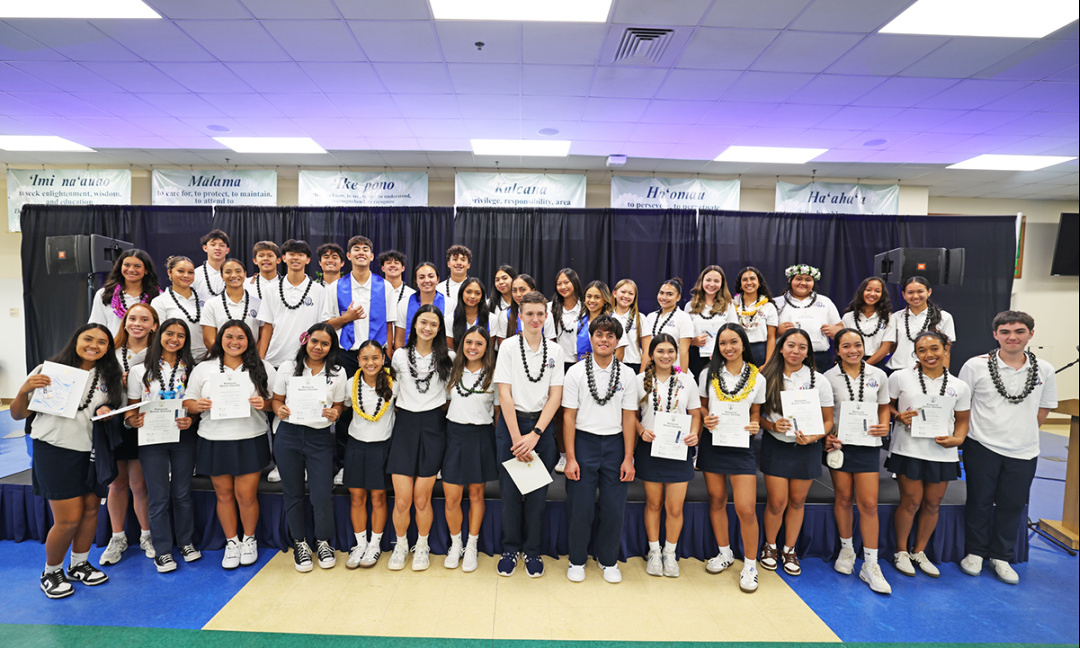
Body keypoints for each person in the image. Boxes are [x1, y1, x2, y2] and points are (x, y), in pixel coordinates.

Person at [12, 324, 124, 598]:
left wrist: (108, 410)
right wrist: (24, 390)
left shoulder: (110, 376)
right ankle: (51, 572)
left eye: (102, 342)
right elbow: (17, 414)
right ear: (76, 340)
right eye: (88, 339)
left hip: (91, 452)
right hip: (55, 450)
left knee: (90, 510)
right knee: (68, 519)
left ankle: (79, 564)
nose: (94, 345)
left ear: (108, 348)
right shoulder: (48, 370)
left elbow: (112, 411)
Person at [958, 311, 1056, 585]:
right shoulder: (975, 366)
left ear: (1031, 334)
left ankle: (1001, 556)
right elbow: (962, 405)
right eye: (1005, 332)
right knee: (979, 501)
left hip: (1024, 450)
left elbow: (1044, 408)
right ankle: (975, 552)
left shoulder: (1045, 369)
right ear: (995, 335)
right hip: (982, 445)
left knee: (1012, 505)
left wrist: (1021, 431)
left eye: (1019, 331)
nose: (1012, 337)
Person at [184, 321, 276, 570]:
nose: (235, 342)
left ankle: (249, 539)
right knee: (223, 495)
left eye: (241, 337)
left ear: (249, 340)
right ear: (220, 339)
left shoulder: (263, 366)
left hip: (250, 437)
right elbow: (188, 401)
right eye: (229, 336)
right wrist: (197, 405)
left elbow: (275, 401)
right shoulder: (204, 368)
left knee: (246, 496)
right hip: (214, 438)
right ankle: (232, 542)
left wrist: (265, 404)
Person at [492, 290, 565, 577]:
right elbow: (504, 394)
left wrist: (535, 434)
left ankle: (532, 551)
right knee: (510, 493)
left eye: (540, 314)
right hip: (511, 426)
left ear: (546, 316)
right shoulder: (509, 347)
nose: (535, 319)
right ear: (520, 316)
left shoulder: (556, 351)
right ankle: (510, 549)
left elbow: (555, 396)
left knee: (536, 494)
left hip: (541, 428)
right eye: (529, 314)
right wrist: (516, 438)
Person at [886, 331, 970, 578]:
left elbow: (962, 420)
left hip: (942, 452)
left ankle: (919, 551)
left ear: (946, 349)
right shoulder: (900, 377)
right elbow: (886, 406)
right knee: (911, 502)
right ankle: (901, 551)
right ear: (915, 353)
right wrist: (898, 416)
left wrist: (958, 439)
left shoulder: (959, 386)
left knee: (933, 503)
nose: (929, 354)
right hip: (908, 449)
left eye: (934, 348)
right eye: (922, 350)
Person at [563, 315, 638, 584]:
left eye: (610, 336)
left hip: (615, 444)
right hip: (584, 443)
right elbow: (568, 416)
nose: (604, 340)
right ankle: (577, 559)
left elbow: (629, 417)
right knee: (580, 507)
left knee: (613, 508)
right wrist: (570, 457)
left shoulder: (627, 374)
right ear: (591, 338)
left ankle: (608, 560)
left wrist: (628, 458)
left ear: (617, 341)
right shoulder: (575, 372)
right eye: (599, 335)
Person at [123, 318, 199, 573]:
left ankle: (186, 542)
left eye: (181, 335)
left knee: (182, 493)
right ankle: (163, 550)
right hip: (151, 438)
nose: (174, 339)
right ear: (159, 335)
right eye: (169, 333)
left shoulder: (192, 369)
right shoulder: (139, 370)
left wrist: (191, 419)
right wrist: (131, 420)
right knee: (158, 496)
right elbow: (132, 407)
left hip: (183, 436)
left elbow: (195, 405)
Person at [270, 323, 347, 572]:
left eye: (325, 344)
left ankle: (323, 541)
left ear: (331, 347)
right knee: (292, 493)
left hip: (319, 438)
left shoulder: (337, 372)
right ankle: (300, 543)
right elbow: (276, 400)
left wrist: (336, 413)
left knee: (321, 494)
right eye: (315, 341)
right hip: (288, 436)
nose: (318, 347)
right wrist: (279, 410)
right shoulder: (288, 367)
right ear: (306, 340)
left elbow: (339, 405)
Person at [758, 328, 834, 577]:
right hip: (776, 445)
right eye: (791, 345)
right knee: (777, 501)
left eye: (802, 347)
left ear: (808, 352)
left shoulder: (819, 380)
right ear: (781, 348)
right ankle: (770, 546)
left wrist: (814, 437)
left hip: (807, 447)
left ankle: (789, 550)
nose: (796, 351)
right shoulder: (765, 376)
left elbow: (828, 421)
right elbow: (754, 416)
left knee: (798, 501)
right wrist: (771, 425)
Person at [823, 328, 892, 594]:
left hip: (867, 446)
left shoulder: (878, 375)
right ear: (837, 350)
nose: (853, 350)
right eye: (846, 346)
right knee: (843, 498)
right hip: (839, 446)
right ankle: (847, 549)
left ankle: (871, 564)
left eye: (858, 345)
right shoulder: (828, 378)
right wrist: (827, 436)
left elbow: (884, 407)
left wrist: (884, 425)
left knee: (869, 503)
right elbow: (825, 414)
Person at [697, 324, 765, 593]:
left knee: (746, 508)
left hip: (741, 445)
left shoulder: (757, 377)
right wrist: (705, 418)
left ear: (743, 344)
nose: (728, 347)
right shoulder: (708, 373)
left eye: (733, 342)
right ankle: (724, 552)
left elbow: (756, 411)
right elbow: (702, 406)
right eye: (723, 343)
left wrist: (755, 423)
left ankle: (750, 564)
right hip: (713, 443)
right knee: (717, 500)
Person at [386, 304, 453, 571]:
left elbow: (451, 395)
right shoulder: (400, 355)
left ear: (439, 329)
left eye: (433, 324)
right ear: (414, 324)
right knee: (402, 499)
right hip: (405, 426)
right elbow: (392, 393)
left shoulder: (448, 356)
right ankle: (401, 545)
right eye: (423, 322)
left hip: (433, 427)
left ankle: (422, 546)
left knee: (422, 498)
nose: (428, 328)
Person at [634, 334, 702, 579]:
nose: (666, 356)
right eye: (660, 351)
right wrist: (641, 431)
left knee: (674, 507)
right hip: (650, 449)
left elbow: (695, 413)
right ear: (651, 354)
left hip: (678, 449)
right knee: (653, 504)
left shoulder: (687, 381)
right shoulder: (639, 380)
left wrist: (694, 434)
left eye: (670, 351)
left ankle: (670, 553)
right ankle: (654, 551)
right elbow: (629, 415)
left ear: (676, 353)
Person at [100, 302, 159, 567]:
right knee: (116, 484)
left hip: (144, 423)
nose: (137, 323)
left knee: (140, 484)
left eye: (144, 319)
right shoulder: (109, 353)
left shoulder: (158, 354)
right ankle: (117, 537)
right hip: (114, 422)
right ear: (124, 323)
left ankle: (147, 535)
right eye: (132, 318)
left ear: (154, 325)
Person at [442, 326, 499, 572]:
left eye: (479, 343)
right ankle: (456, 545)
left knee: (476, 495)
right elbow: (444, 404)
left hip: (480, 437)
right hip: (454, 436)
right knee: (452, 498)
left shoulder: (494, 375)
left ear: (487, 347)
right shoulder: (451, 370)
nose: (473, 347)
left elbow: (498, 413)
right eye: (468, 342)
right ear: (462, 345)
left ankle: (472, 545)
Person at [344, 340, 395, 569]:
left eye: (375, 357)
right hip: (356, 445)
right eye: (365, 358)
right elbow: (342, 406)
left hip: (381, 446)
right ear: (358, 361)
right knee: (356, 497)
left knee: (378, 497)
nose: (370, 363)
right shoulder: (350, 383)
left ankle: (374, 544)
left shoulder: (394, 383)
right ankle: (360, 544)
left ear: (383, 359)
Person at [324, 236, 397, 380]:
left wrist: (387, 355)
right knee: (347, 392)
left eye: (365, 249)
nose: (361, 252)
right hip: (346, 354)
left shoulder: (385, 287)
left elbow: (389, 324)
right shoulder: (335, 287)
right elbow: (327, 324)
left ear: (371, 256)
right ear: (349, 256)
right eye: (356, 249)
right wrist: (346, 318)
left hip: (376, 355)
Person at [256, 239, 329, 370]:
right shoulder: (271, 289)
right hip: (275, 358)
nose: (296, 258)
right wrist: (261, 360)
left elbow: (321, 327)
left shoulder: (319, 290)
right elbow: (267, 326)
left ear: (308, 260)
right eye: (291, 254)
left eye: (300, 255)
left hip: (307, 360)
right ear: (284, 258)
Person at [775, 264, 842, 373]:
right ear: (790, 280)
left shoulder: (825, 301)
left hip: (819, 358)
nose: (803, 283)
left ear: (813, 282)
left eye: (808, 280)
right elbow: (765, 334)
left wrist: (837, 331)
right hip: (786, 358)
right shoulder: (777, 303)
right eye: (799, 279)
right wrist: (777, 332)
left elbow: (841, 330)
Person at [887, 276, 957, 372]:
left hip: (929, 371)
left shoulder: (944, 317)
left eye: (920, 291)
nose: (915, 296)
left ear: (929, 292)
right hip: (898, 370)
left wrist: (943, 375)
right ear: (903, 295)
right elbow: (889, 347)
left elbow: (946, 352)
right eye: (910, 292)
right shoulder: (895, 317)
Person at [89, 248, 160, 336]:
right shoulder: (104, 294)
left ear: (146, 270)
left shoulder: (158, 297)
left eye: (137, 266)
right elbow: (96, 326)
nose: (131, 269)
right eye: (127, 265)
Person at [151, 255, 208, 362]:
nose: (186, 275)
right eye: (181, 271)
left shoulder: (206, 299)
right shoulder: (160, 302)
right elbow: (159, 335)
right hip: (176, 360)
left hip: (206, 359)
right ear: (169, 273)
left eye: (190, 272)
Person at [685, 265, 736, 380]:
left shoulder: (728, 306)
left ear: (722, 284)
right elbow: (684, 335)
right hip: (696, 357)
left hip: (721, 355)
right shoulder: (690, 306)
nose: (712, 284)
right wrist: (693, 341)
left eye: (716, 281)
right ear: (701, 281)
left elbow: (734, 332)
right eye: (708, 280)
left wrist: (721, 349)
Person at [202, 258, 262, 353]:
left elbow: (263, 337)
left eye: (238, 271)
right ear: (222, 276)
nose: (233, 275)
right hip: (222, 358)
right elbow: (209, 340)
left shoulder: (258, 303)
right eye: (228, 272)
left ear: (245, 274)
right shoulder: (211, 304)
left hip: (251, 357)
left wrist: (253, 357)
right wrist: (227, 358)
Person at [640, 278, 694, 374]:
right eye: (661, 293)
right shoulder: (650, 317)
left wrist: (683, 377)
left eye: (669, 294)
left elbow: (684, 351)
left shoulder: (684, 318)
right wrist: (643, 373)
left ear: (678, 297)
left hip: (674, 370)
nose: (664, 297)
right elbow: (647, 350)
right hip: (653, 370)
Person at [840, 277, 894, 369]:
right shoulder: (848, 317)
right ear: (862, 292)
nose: (872, 294)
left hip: (876, 364)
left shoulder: (888, 317)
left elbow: (885, 348)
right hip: (851, 361)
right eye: (868, 290)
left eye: (877, 291)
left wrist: (863, 366)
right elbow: (844, 344)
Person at [732, 266, 777, 367]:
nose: (749, 282)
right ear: (740, 285)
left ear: (759, 283)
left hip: (760, 352)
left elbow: (771, 337)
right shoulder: (732, 305)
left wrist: (767, 363)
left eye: (752, 278)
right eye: (745, 279)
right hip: (737, 350)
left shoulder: (768, 306)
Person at [394, 261, 445, 350]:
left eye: (431, 276)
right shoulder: (404, 304)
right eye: (421, 277)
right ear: (416, 281)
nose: (427, 280)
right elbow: (399, 339)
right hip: (409, 355)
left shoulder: (449, 304)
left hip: (439, 354)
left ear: (438, 279)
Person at [493, 273, 555, 343]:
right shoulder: (505, 315)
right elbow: (502, 346)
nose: (518, 294)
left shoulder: (545, 314)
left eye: (522, 289)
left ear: (532, 291)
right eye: (514, 290)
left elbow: (550, 345)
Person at [576, 280, 625, 361]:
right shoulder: (579, 321)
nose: (592, 300)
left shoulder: (614, 320)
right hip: (584, 367)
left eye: (597, 297)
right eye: (589, 296)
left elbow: (620, 353)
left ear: (605, 300)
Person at [446, 277, 491, 351]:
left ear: (482, 296)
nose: (472, 296)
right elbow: (451, 350)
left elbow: (490, 349)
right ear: (461, 293)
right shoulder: (450, 319)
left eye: (477, 293)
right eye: (468, 292)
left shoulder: (491, 318)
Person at [612, 279, 643, 373]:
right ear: (614, 293)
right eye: (623, 292)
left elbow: (647, 351)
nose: (626, 296)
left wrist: (641, 375)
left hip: (634, 365)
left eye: (631, 293)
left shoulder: (640, 318)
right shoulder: (607, 317)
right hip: (610, 365)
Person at [192, 229, 230, 302]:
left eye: (222, 245)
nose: (217, 248)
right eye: (213, 245)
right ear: (205, 248)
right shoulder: (195, 274)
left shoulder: (235, 274)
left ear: (227, 250)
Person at [437, 244, 472, 316]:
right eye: (455, 259)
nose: (459, 263)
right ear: (448, 264)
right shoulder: (438, 289)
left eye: (463, 260)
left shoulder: (476, 288)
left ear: (468, 265)